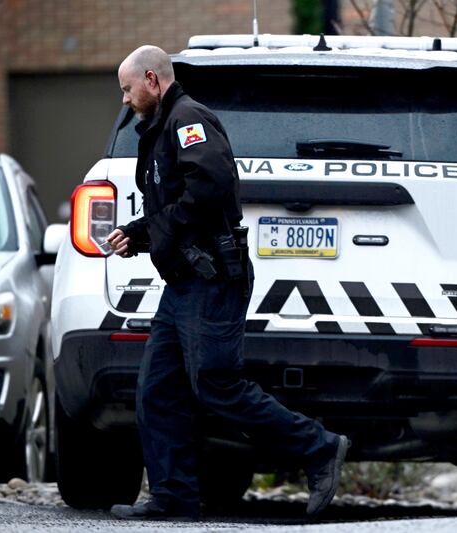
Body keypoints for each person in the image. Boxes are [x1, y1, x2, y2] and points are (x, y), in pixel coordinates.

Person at [106, 45, 348, 522]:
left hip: (212, 279)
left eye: (128, 89)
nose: (125, 100)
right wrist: (137, 233)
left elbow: (210, 184)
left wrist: (157, 232)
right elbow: (176, 202)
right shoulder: (161, 127)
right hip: (183, 284)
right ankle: (173, 498)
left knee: (216, 385)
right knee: (158, 389)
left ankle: (319, 448)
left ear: (152, 80)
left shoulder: (187, 119)